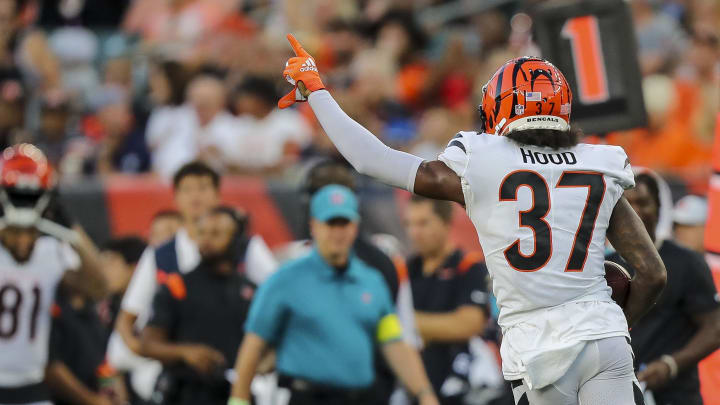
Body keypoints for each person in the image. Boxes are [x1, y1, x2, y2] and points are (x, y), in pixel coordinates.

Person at [279, 36, 667, 404]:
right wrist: (614, 325)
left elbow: (372, 160)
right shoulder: (600, 162)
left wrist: (317, 91)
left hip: (537, 349)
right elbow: (652, 273)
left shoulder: (482, 159)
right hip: (603, 335)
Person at [231, 185, 440, 405]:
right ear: (314, 226)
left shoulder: (372, 281)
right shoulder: (285, 281)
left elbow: (394, 343)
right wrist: (238, 400)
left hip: (361, 398)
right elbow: (254, 344)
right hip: (308, 398)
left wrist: (425, 394)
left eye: (344, 223)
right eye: (330, 223)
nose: (338, 232)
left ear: (355, 226)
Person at [109, 161, 276, 400]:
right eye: (187, 189)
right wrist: (145, 350)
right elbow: (128, 317)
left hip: (239, 363)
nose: (195, 196)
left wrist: (266, 357)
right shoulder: (160, 254)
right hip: (179, 370)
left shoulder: (247, 247)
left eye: (203, 188)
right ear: (175, 198)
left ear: (218, 196)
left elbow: (279, 297)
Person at [0, 144, 106, 405]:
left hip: (33, 386)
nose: (24, 241)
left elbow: (99, 287)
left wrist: (70, 228)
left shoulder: (52, 251)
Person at [607, 171, 720, 405]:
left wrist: (671, 364)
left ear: (660, 209)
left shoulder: (686, 262)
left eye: (643, 203)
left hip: (676, 395)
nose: (636, 211)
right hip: (620, 394)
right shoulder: (606, 265)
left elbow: (714, 327)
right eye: (628, 204)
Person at [141, 207, 257, 405]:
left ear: (237, 239)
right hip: (186, 393)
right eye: (202, 233)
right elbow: (148, 344)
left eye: (216, 234)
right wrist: (186, 352)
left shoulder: (251, 291)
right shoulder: (177, 286)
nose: (206, 240)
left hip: (237, 393)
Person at [404, 195, 492, 403]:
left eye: (423, 223)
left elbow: (468, 324)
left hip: (464, 385)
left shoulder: (469, 267)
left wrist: (406, 322)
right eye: (409, 224)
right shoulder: (407, 270)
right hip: (417, 385)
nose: (414, 232)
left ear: (445, 222)